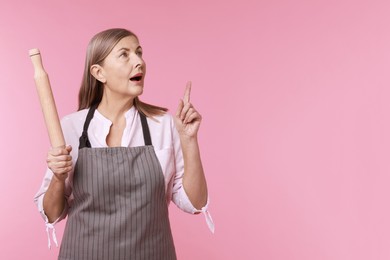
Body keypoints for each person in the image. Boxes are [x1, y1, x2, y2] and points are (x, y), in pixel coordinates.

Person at [33, 28, 214, 260]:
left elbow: (195, 203)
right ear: (99, 73)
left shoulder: (164, 125)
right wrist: (58, 177)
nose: (139, 61)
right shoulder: (71, 127)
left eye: (139, 52)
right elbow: (52, 214)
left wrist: (189, 141)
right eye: (125, 54)